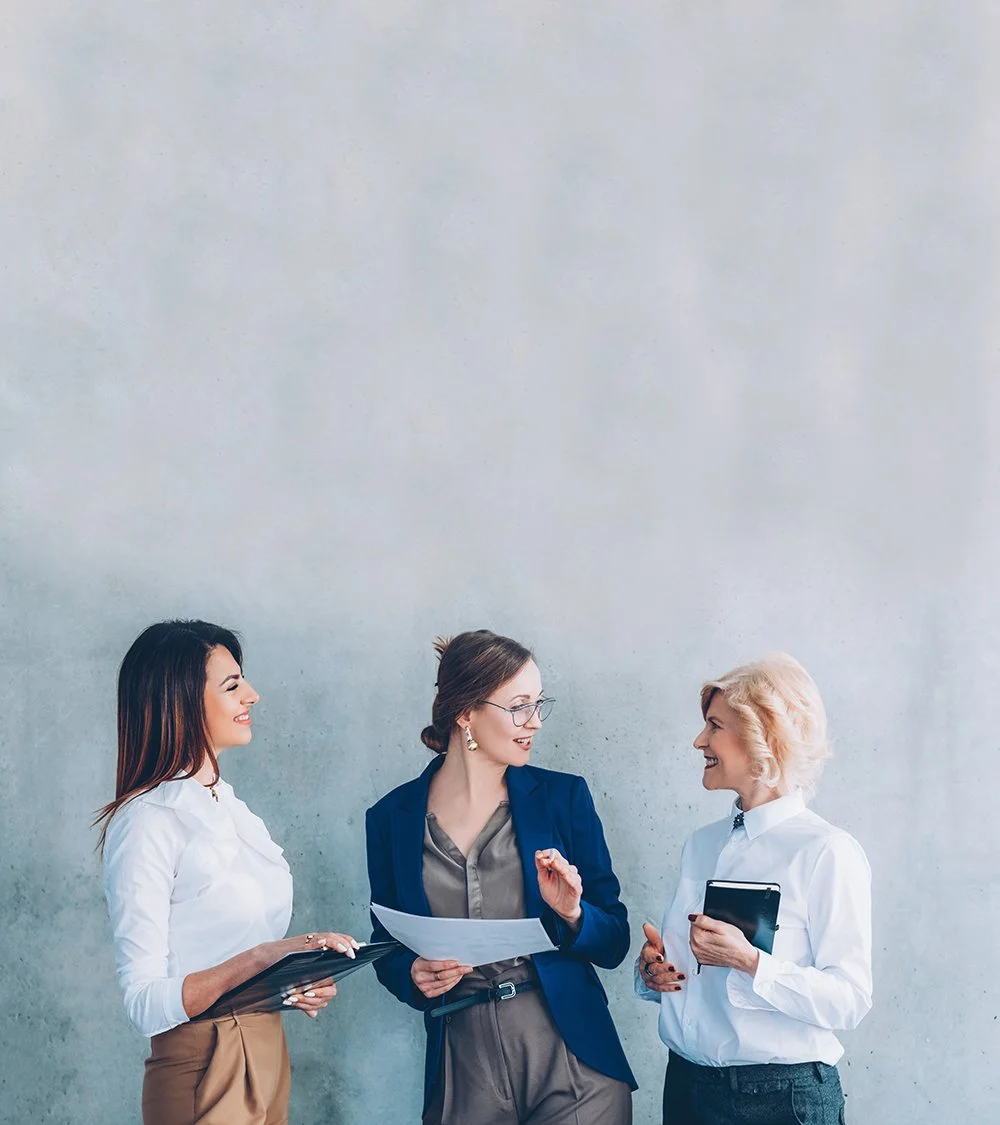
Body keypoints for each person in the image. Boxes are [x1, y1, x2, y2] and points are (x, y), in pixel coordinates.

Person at [366, 629, 636, 1124]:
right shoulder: (390, 819)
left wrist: (573, 913)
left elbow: (615, 940)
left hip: (573, 1060)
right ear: (465, 712)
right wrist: (411, 972)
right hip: (461, 1065)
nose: (534, 722)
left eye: (538, 704)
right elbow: (386, 943)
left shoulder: (563, 798)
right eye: (518, 706)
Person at [96, 620, 360, 1125]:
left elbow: (226, 950)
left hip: (265, 1050)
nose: (253, 695)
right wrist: (265, 956)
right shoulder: (148, 821)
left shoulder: (229, 807)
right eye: (233, 684)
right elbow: (144, 1001)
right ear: (181, 702)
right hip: (202, 1062)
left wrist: (290, 978)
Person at [636, 653, 872, 1125]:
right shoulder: (701, 846)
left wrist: (750, 962)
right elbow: (697, 984)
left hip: (779, 1103)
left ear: (763, 735)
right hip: (685, 1090)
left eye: (715, 726)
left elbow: (850, 1000)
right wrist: (653, 976)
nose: (698, 741)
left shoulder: (826, 851)